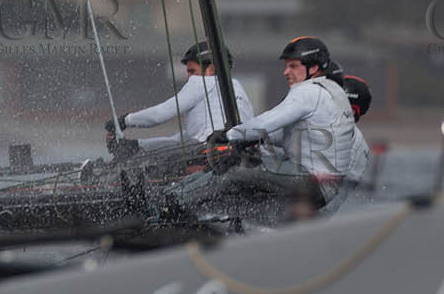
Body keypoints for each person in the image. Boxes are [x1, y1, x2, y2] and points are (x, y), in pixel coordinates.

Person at [213, 36, 357, 206]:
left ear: (314, 68)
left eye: (293, 66)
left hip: (312, 184)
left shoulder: (308, 92)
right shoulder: (331, 91)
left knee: (235, 174)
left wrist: (229, 135)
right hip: (325, 188)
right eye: (286, 66)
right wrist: (261, 138)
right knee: (253, 180)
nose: (286, 72)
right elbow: (294, 136)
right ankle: (247, 222)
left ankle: (179, 205)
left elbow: (266, 122)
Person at [105, 42, 255, 156]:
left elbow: (159, 115)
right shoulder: (239, 88)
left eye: (192, 71)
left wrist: (124, 121)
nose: (189, 77)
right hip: (241, 154)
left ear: (211, 69)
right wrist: (135, 145)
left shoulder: (201, 82)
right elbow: (181, 141)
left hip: (210, 156)